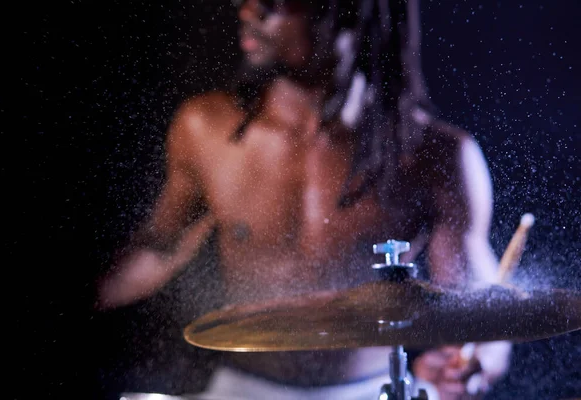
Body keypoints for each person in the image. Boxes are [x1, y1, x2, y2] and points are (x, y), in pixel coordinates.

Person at [96, 0, 511, 398]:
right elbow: (160, 245)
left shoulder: (435, 155)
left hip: (371, 391)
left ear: (348, 10)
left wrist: (476, 360)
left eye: (277, 0)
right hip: (242, 391)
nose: (248, 11)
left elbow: (477, 304)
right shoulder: (205, 128)